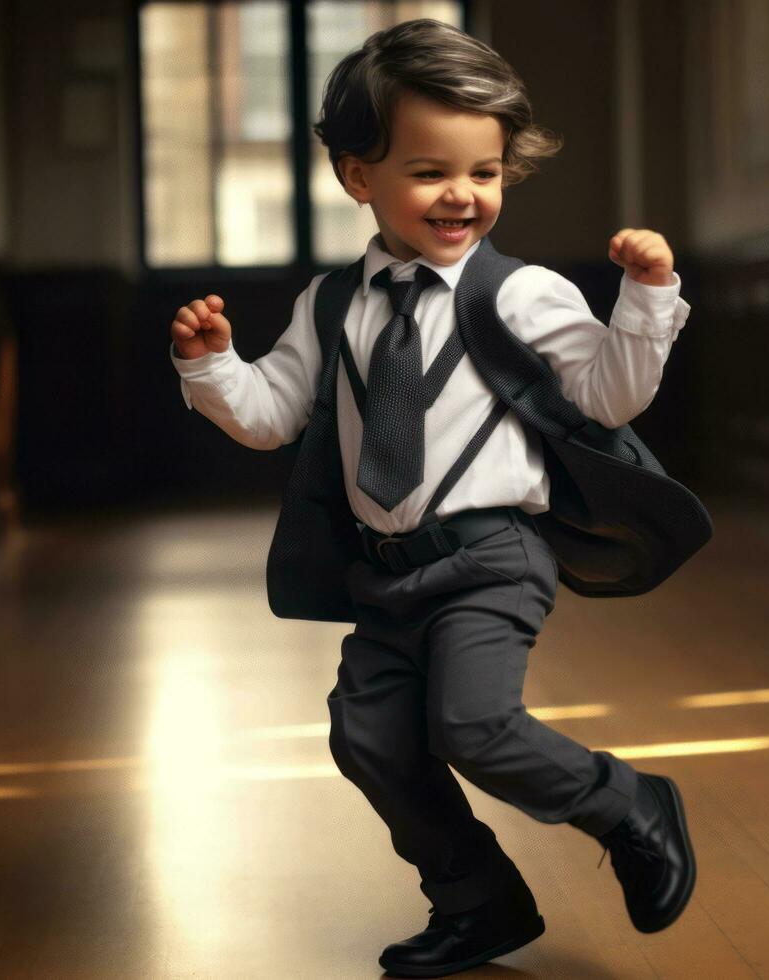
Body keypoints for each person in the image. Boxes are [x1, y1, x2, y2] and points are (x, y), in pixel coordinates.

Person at [169, 18, 705, 978]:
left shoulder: (524, 292)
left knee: (470, 725)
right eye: (427, 172)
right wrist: (212, 367)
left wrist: (645, 300)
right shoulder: (332, 306)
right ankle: (477, 901)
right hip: (385, 574)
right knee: (367, 736)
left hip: (493, 557)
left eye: (485, 173)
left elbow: (606, 397)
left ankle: (627, 803)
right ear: (355, 175)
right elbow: (268, 415)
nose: (461, 196)